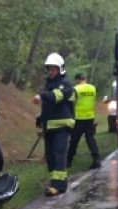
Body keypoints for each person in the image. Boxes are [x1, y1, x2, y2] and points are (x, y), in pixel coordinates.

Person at [32, 52, 74, 196]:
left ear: (60, 69)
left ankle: (59, 186)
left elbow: (57, 97)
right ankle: (54, 183)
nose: (51, 71)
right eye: (49, 69)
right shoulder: (49, 84)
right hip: (49, 127)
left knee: (58, 155)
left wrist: (41, 95)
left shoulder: (65, 84)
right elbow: (49, 106)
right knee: (50, 156)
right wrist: (41, 117)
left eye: (54, 69)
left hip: (61, 127)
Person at [67, 72, 101, 170]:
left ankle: (68, 162)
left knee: (74, 141)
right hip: (90, 118)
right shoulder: (93, 88)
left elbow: (71, 101)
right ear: (84, 79)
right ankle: (96, 159)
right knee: (91, 140)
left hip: (78, 119)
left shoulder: (76, 89)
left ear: (77, 80)